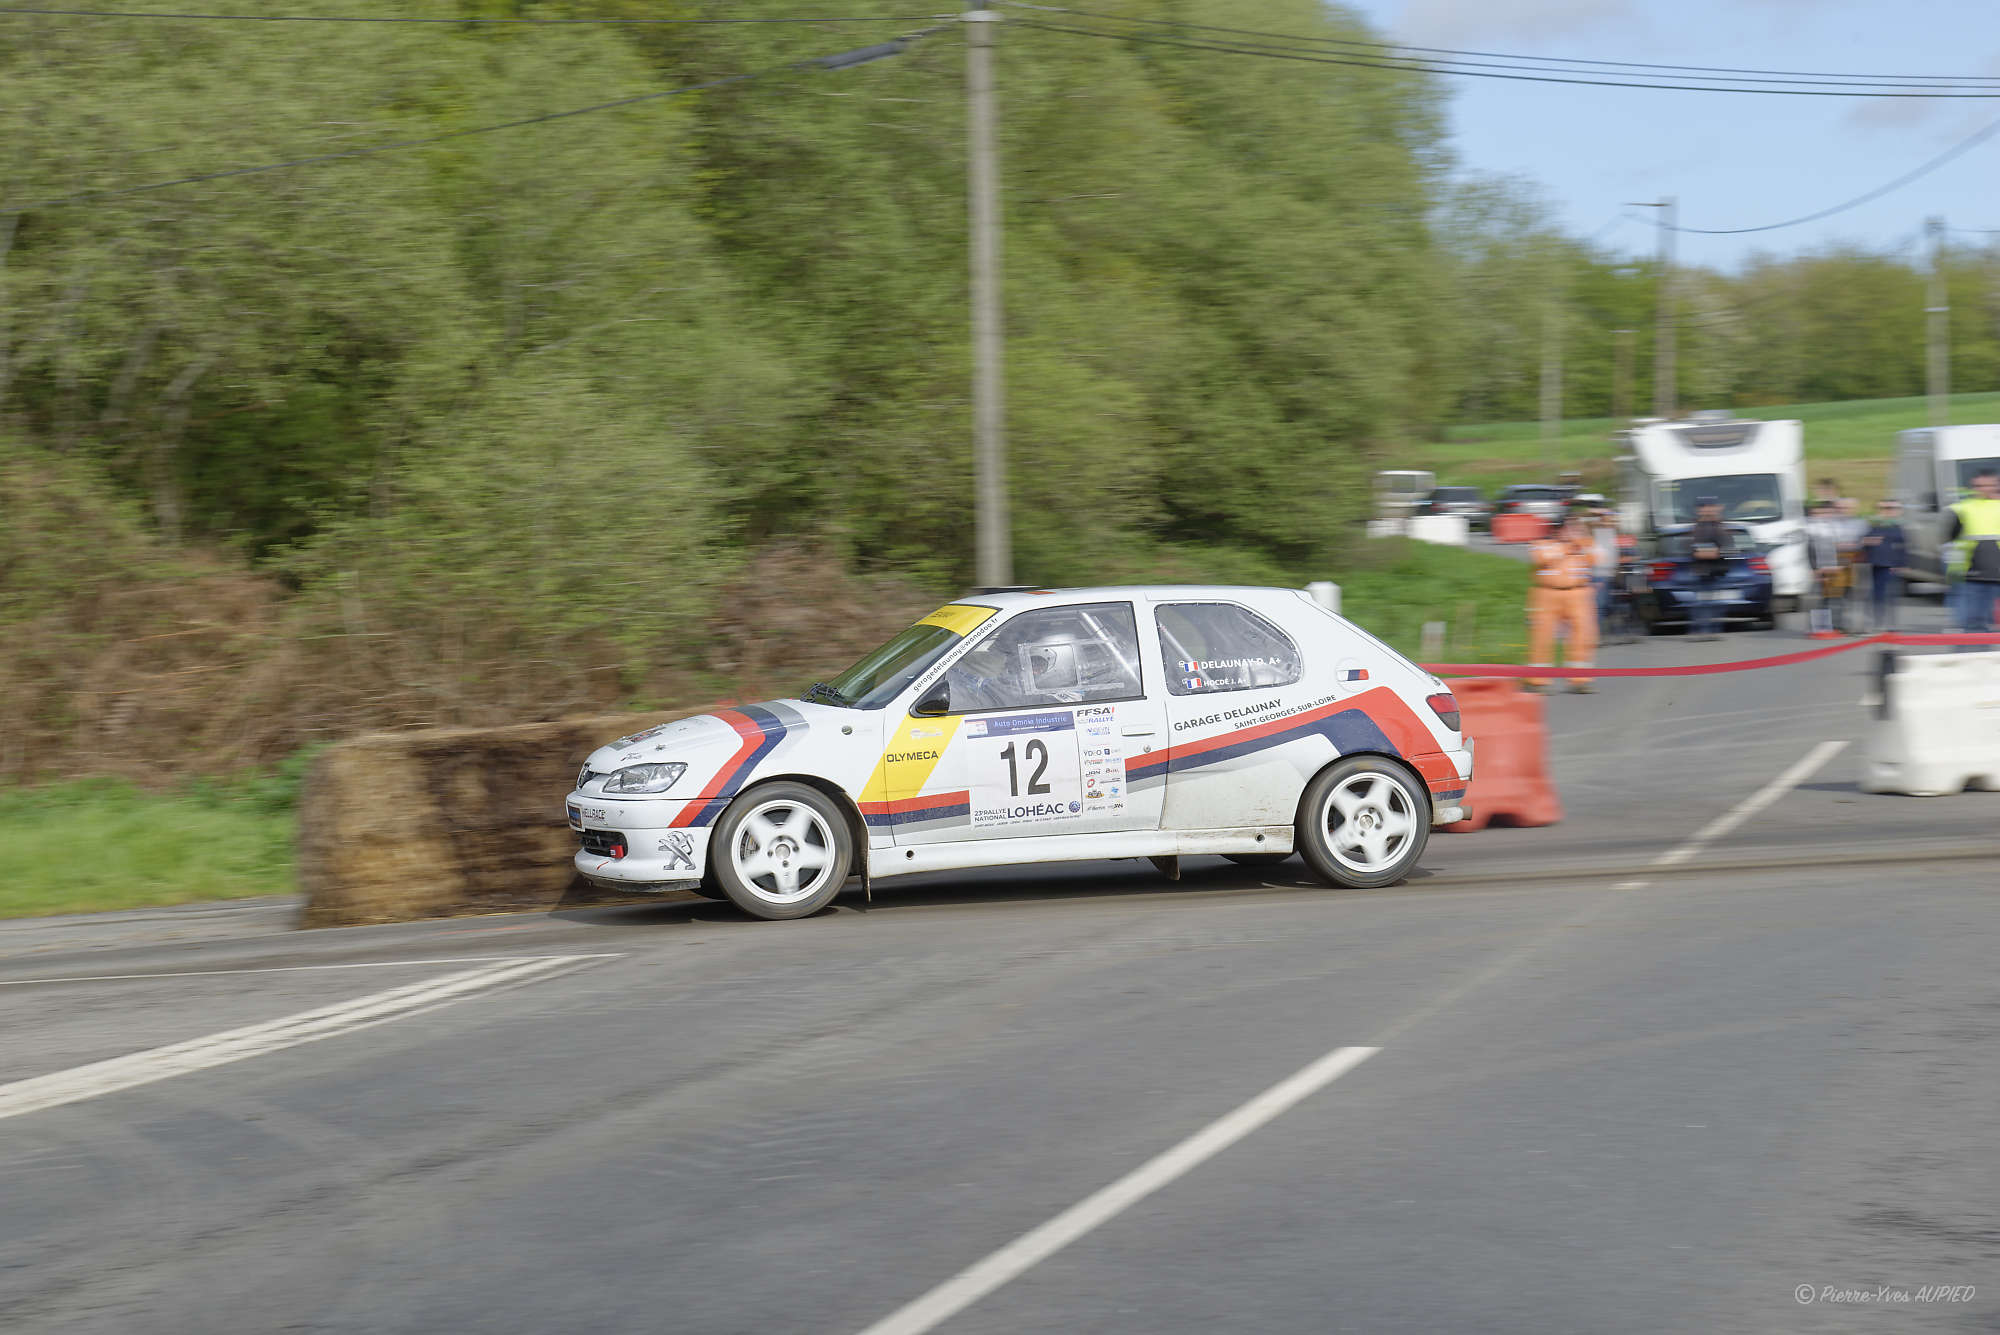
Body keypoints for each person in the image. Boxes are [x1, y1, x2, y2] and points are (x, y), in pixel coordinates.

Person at [1526, 508, 1599, 693]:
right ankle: (1537, 680)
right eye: (1567, 526)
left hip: (1578, 594)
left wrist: (1582, 539)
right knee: (1542, 636)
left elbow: (1597, 557)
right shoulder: (1542, 544)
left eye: (1573, 526)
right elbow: (1542, 558)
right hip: (1547, 594)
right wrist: (1568, 546)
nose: (1570, 530)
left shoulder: (1583, 543)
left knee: (1582, 636)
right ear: (1557, 528)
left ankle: (1579, 680)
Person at [1944, 467, 2000, 635]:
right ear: (1973, 487)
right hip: (1974, 575)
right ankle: (1974, 657)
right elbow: (1950, 539)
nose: (1984, 490)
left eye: (1989, 485)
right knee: (1974, 626)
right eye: (1979, 486)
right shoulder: (1961, 508)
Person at [1685, 498, 1733, 641]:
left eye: (1710, 507)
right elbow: (1691, 549)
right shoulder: (1696, 527)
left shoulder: (1721, 526)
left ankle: (1712, 631)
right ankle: (1698, 631)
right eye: (1704, 507)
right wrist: (1707, 552)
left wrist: (1714, 552)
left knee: (1714, 603)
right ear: (1699, 509)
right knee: (1699, 604)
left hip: (1716, 571)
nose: (1707, 509)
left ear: (1717, 508)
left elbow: (1729, 549)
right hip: (1700, 570)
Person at [1860, 499, 1909, 632]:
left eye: (1891, 508)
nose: (1888, 511)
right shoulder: (1874, 524)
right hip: (1878, 564)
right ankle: (1874, 623)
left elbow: (1904, 546)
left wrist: (1902, 563)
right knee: (1877, 595)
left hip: (1893, 565)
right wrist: (1868, 542)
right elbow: (1863, 542)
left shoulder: (1899, 526)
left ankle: (1890, 625)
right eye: (1885, 508)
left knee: (1891, 596)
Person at [1805, 500, 1848, 635]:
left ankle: (1837, 626)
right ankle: (1818, 627)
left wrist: (1841, 565)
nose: (1825, 515)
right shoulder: (1812, 530)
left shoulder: (1837, 529)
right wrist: (1815, 569)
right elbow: (1809, 551)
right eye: (1822, 512)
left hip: (1836, 569)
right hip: (1821, 570)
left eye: (1828, 512)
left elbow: (1843, 549)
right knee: (1821, 600)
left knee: (1838, 600)